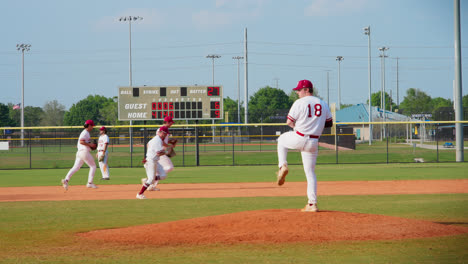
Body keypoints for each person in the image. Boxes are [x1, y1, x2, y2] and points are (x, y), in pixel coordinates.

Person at [276, 80, 333, 212]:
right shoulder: (322, 103)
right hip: (313, 142)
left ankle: (282, 166)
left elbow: (289, 122)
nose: (297, 92)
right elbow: (329, 124)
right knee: (310, 173)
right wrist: (315, 125)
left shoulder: (299, 102)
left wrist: (299, 127)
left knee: (281, 140)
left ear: (306, 89)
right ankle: (312, 204)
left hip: (300, 137)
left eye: (299, 90)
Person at [61, 120, 98, 190]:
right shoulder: (85, 132)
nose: (92, 127)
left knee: (76, 167)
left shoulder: (85, 133)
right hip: (84, 152)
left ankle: (66, 180)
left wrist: (91, 145)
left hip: (79, 153)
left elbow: (84, 142)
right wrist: (90, 144)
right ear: (89, 126)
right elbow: (81, 141)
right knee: (93, 166)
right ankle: (90, 183)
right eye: (92, 126)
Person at [143, 116, 177, 191]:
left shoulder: (164, 130)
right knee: (169, 167)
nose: (172, 124)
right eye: (171, 122)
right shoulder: (162, 130)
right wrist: (170, 145)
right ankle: (150, 180)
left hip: (160, 152)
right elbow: (161, 143)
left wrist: (170, 141)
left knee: (164, 169)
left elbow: (163, 142)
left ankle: (151, 182)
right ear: (167, 122)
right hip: (160, 152)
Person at [136, 126, 170, 199]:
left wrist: (149, 153)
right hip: (151, 161)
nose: (166, 135)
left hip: (154, 160)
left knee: (163, 175)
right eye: (165, 133)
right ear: (162, 132)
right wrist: (167, 152)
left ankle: (147, 180)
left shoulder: (156, 139)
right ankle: (140, 194)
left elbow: (148, 145)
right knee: (151, 179)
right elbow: (159, 153)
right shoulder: (157, 140)